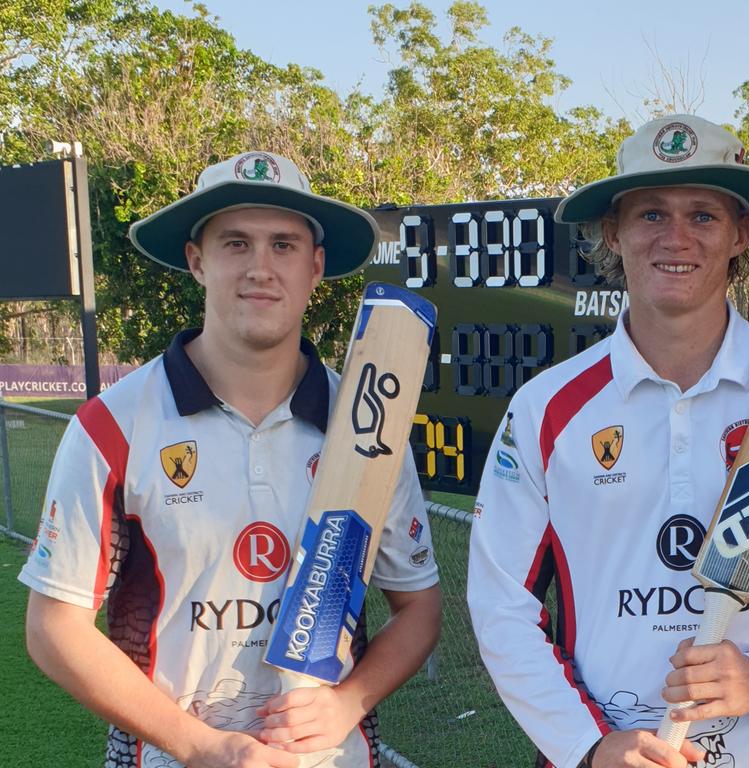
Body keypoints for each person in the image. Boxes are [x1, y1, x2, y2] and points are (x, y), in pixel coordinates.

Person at [467, 115, 749, 768]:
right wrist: (589, 744)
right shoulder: (546, 407)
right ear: (613, 233)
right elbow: (500, 602)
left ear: (740, 234)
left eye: (702, 216)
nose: (675, 238)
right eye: (650, 214)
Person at [20, 151, 441, 768]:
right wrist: (201, 746)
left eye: (284, 246)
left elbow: (419, 608)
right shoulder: (113, 426)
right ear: (197, 260)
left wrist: (350, 701)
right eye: (236, 243)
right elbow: (53, 627)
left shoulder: (370, 428)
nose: (261, 269)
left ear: (316, 266)